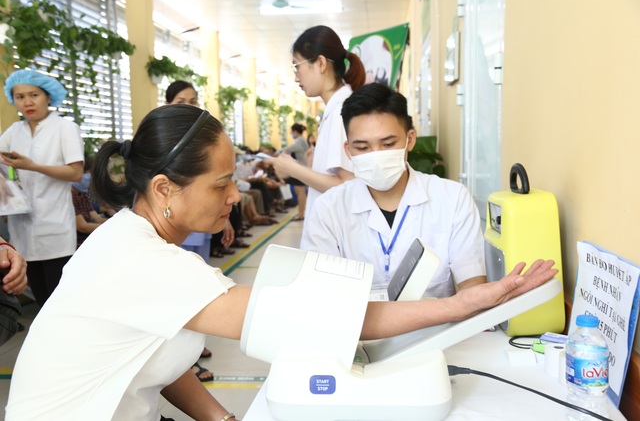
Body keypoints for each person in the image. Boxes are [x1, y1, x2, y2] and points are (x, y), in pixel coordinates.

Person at [5, 104, 557, 419]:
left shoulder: (144, 242)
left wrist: (221, 418)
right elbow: (320, 319)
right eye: (223, 184)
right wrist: (460, 305)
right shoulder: (139, 260)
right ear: (164, 188)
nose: (234, 196)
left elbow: (155, 346)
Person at [301, 83, 485, 298]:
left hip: (437, 330)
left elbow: (473, 286)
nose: (376, 155)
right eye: (362, 148)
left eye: (387, 144)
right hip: (360, 331)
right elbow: (320, 295)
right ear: (348, 150)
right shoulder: (329, 209)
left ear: (410, 140)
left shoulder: (452, 199)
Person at [0, 69, 84, 307]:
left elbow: (75, 172)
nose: (27, 102)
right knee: (41, 299)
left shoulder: (64, 128)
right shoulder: (14, 131)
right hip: (22, 228)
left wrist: (32, 166)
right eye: (19, 96)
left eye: (33, 94)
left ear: (48, 96)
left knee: (59, 300)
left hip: (55, 225)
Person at [267, 25, 366, 225]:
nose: (296, 77)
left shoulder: (342, 111)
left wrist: (294, 169)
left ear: (320, 63)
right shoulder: (335, 108)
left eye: (297, 66)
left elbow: (346, 184)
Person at [165, 80, 215, 380]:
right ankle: (184, 361)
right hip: (175, 224)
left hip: (198, 224)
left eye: (193, 100)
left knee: (199, 284)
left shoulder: (200, 137)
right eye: (182, 101)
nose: (189, 106)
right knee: (177, 288)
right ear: (168, 103)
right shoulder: (162, 138)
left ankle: (195, 346)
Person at [71, 158, 108, 247]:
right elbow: (82, 227)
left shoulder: (82, 196)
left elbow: (96, 218)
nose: (88, 177)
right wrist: (109, 228)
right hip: (78, 243)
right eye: (86, 173)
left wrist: (115, 222)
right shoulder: (70, 198)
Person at [280, 123, 309, 221]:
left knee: (300, 192)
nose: (291, 133)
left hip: (300, 169)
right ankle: (301, 212)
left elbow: (288, 149)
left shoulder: (299, 141)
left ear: (295, 131)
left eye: (291, 131)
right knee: (300, 191)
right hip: (301, 168)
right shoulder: (302, 140)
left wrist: (277, 152)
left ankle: (301, 214)